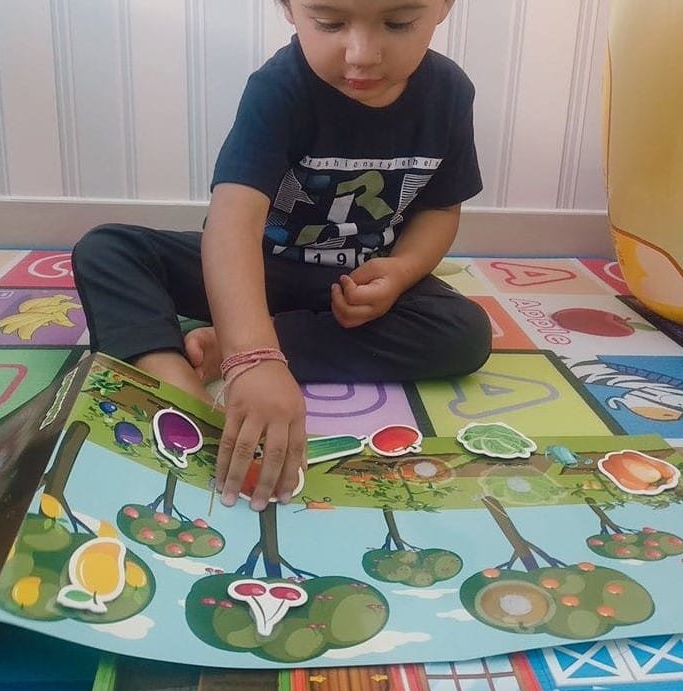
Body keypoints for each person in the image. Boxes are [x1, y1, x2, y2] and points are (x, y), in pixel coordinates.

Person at [72, 0, 492, 513]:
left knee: (465, 331)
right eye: (330, 23)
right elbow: (233, 222)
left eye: (398, 23)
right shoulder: (279, 88)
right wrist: (253, 358)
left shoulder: (449, 93)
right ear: (289, 8)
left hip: (352, 285)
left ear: (444, 5)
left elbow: (440, 209)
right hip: (254, 269)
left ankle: (229, 343)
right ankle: (171, 376)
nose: (361, 54)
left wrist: (402, 271)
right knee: (108, 250)